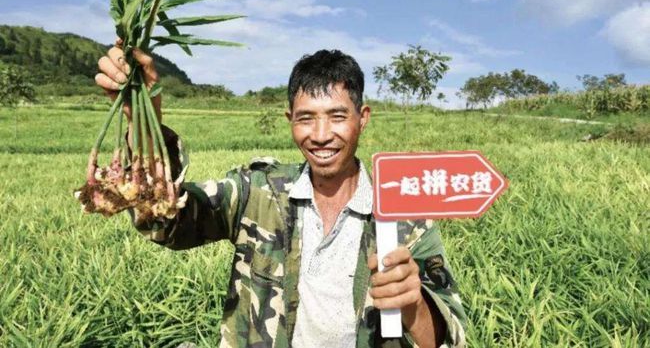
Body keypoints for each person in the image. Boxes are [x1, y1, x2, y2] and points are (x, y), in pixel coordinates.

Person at [96, 43, 467, 348]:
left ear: (363, 117)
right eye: (306, 118)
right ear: (289, 118)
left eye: (337, 116)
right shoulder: (258, 191)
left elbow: (451, 338)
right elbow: (169, 222)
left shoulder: (404, 218)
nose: (321, 135)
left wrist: (413, 304)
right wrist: (142, 119)